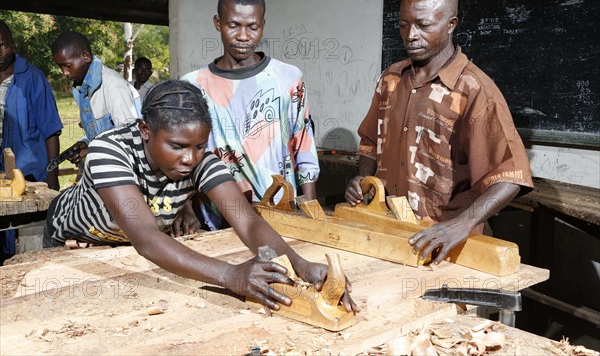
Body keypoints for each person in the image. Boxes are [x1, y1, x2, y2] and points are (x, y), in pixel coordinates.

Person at [43, 80, 358, 313]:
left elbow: (247, 223)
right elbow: (148, 240)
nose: (190, 159)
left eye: (199, 146)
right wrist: (230, 274)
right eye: (177, 146)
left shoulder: (200, 160)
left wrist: (298, 265)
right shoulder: (109, 150)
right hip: (74, 241)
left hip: (126, 247)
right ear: (144, 130)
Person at [345, 0, 533, 264]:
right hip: (387, 231)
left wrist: (461, 224)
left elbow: (510, 177)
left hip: (444, 244)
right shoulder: (391, 79)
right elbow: (370, 142)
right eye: (404, 24)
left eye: (423, 25)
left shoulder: (473, 89)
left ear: (451, 24)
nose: (410, 35)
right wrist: (363, 178)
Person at [182, 0, 319, 229]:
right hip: (215, 220)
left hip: (281, 215)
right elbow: (182, 157)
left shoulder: (288, 78)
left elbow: (304, 147)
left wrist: (311, 211)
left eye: (252, 27)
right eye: (233, 25)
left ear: (262, 25)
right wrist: (187, 208)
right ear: (217, 23)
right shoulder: (193, 85)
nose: (243, 36)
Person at [0, 20, 63, 263]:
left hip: (30, 178)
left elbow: (50, 131)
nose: (0, 52)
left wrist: (52, 174)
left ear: (13, 44)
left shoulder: (33, 78)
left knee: (30, 249)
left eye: (4, 45)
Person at [51, 31, 141, 165]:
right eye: (60, 67)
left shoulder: (114, 86)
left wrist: (92, 150)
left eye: (68, 65)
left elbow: (130, 138)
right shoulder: (80, 88)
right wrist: (86, 142)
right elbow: (101, 131)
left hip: (125, 172)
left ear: (86, 56)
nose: (64, 73)